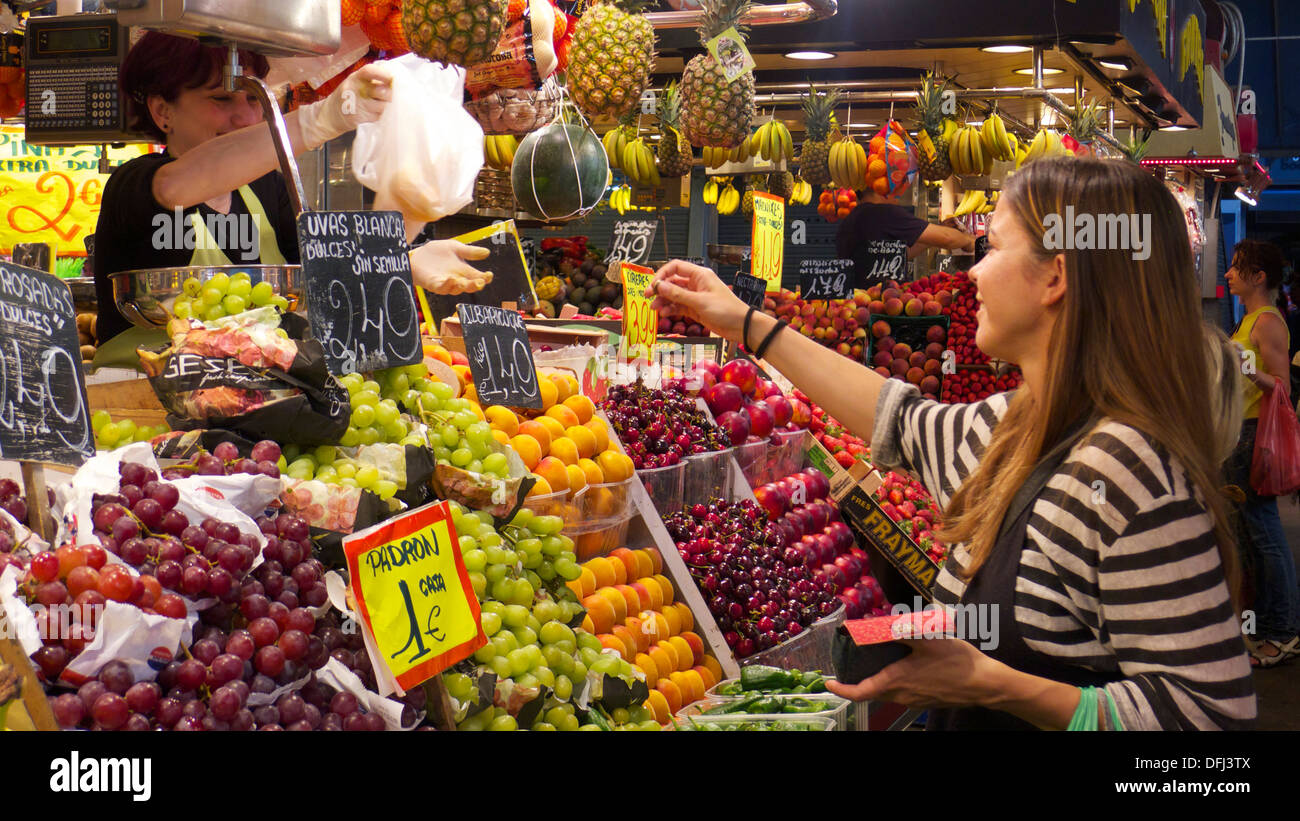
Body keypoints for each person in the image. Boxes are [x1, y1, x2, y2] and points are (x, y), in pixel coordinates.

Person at [648, 156, 1254, 730]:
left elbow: (1207, 714)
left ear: (1056, 276)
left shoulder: (1125, 469)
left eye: (992, 248)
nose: (972, 271)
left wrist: (996, 686)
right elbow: (898, 418)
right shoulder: (1020, 421)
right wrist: (744, 323)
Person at [95, 33, 490, 346]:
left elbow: (320, 279)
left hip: (248, 397)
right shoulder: (135, 184)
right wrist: (318, 120)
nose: (245, 115)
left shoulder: (267, 187)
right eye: (220, 98)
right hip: (142, 398)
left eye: (254, 99)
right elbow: (179, 185)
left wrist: (403, 259)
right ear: (162, 110)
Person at [1224, 238, 1299, 667]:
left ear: (1259, 276)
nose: (1229, 273)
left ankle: (1284, 631)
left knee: (1266, 534)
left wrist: (1245, 367)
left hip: (1256, 436)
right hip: (1241, 433)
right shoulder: (1248, 318)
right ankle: (1267, 626)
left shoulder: (1267, 321)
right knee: (1254, 535)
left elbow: (1283, 387)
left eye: (1237, 267)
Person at [835, 185, 974, 287]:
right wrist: (969, 240)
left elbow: (897, 254)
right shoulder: (884, 213)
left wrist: (934, 236)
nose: (898, 197)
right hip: (883, 306)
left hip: (860, 305)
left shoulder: (853, 218)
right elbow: (947, 238)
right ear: (882, 190)